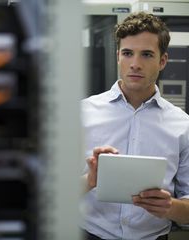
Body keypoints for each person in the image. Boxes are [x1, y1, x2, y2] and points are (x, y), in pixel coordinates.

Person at [81, 11, 189, 240]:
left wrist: (170, 207)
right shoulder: (83, 113)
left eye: (147, 55)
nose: (136, 64)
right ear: (118, 56)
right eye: (128, 53)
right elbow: (54, 195)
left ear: (163, 61)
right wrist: (89, 181)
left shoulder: (183, 125)